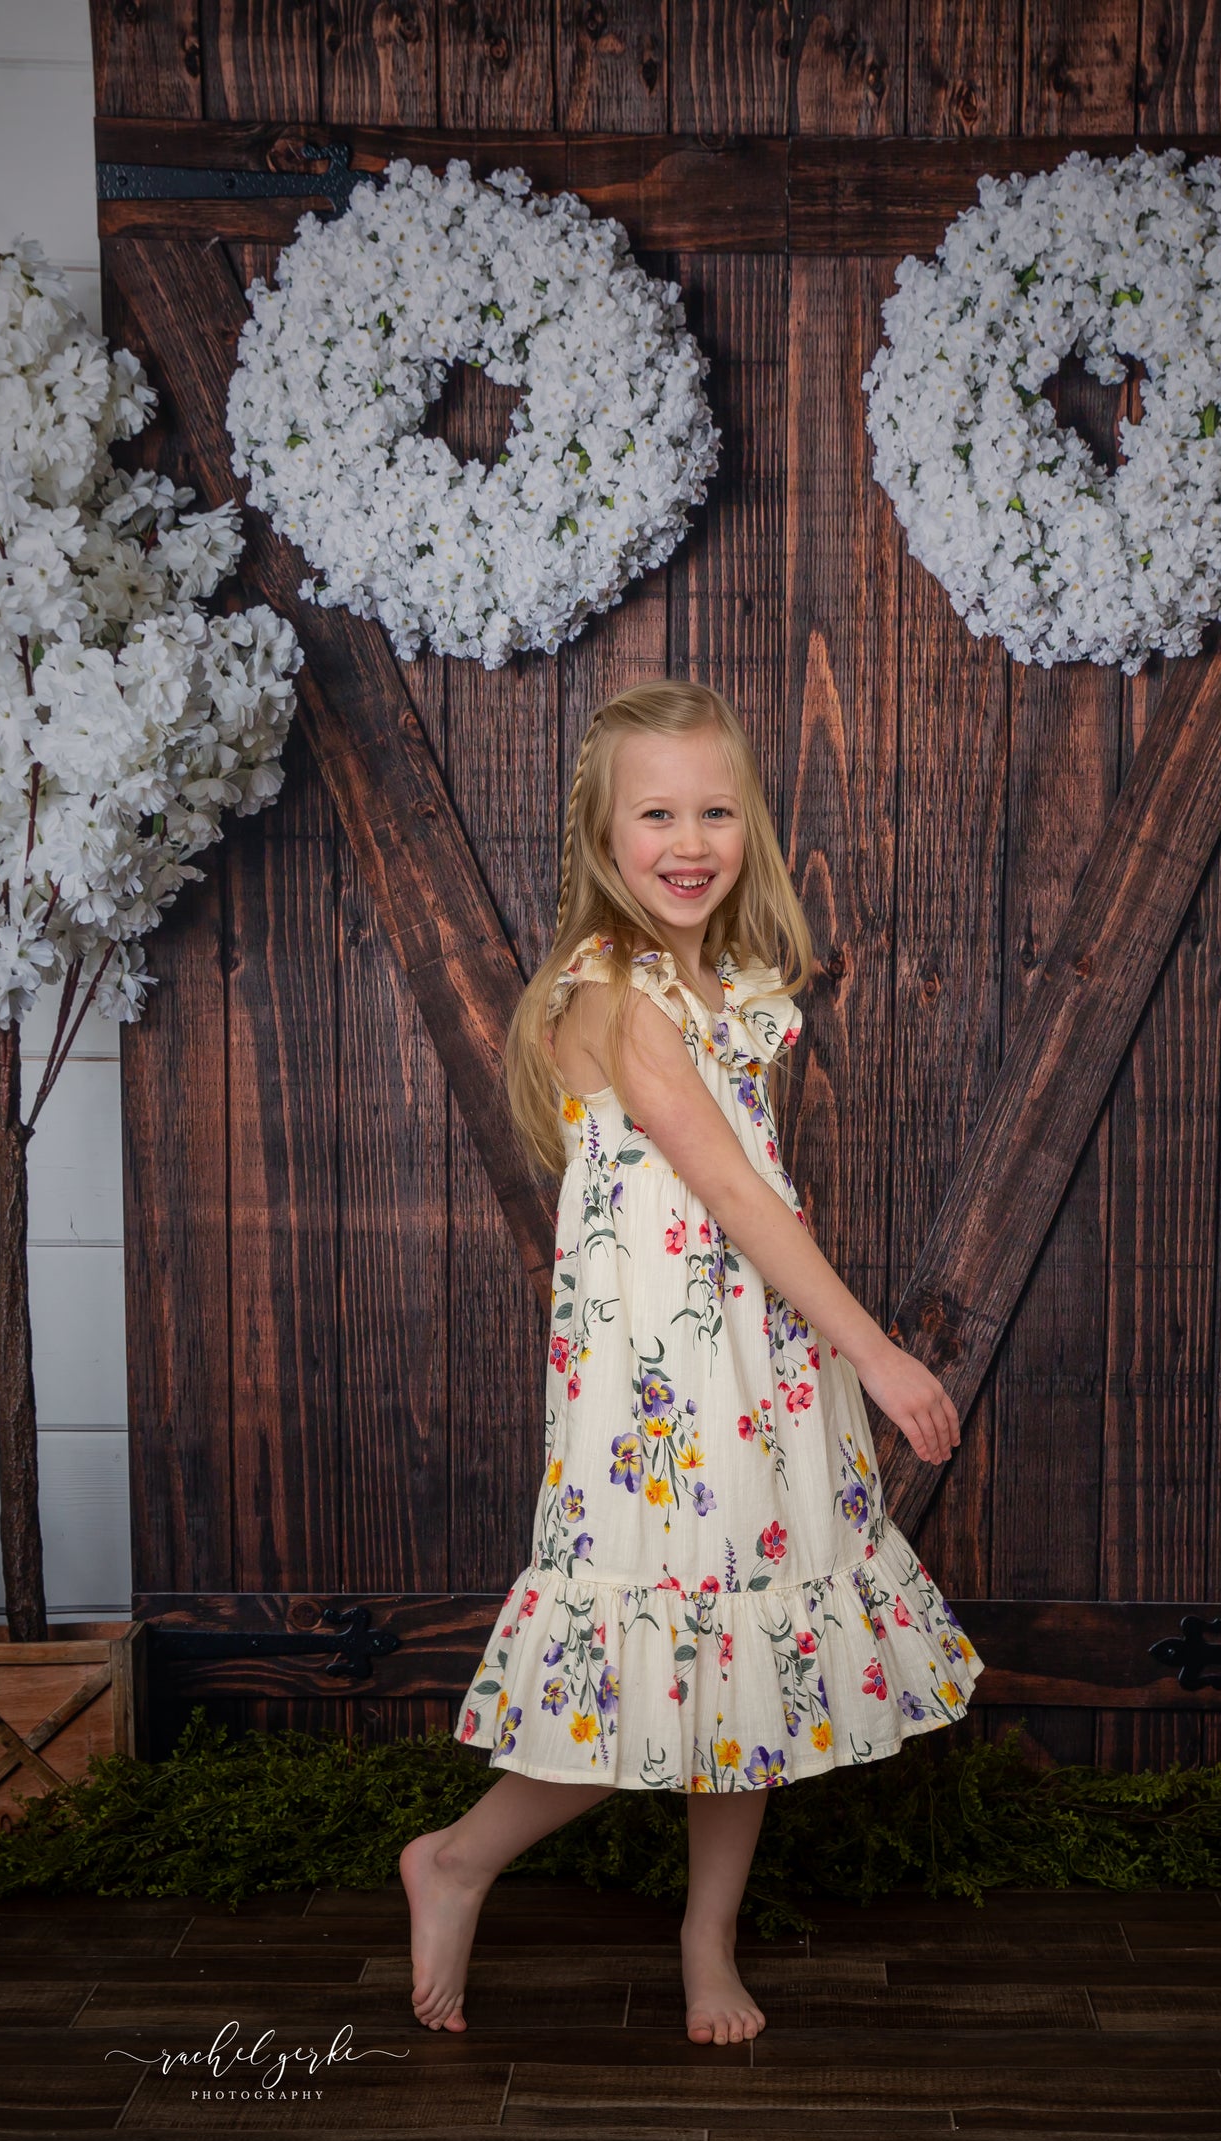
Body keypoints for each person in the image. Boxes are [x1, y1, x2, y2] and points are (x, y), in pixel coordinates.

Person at [400, 678, 982, 2045]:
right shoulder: (611, 998)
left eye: (714, 810)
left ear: (749, 826)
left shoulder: (732, 984)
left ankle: (704, 1938)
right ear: (600, 839)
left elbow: (752, 1198)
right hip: (656, 1399)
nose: (688, 838)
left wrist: (804, 1315)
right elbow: (723, 1196)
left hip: (756, 1362)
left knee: (749, 1658)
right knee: (651, 1650)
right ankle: (457, 1857)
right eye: (655, 813)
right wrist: (882, 1354)